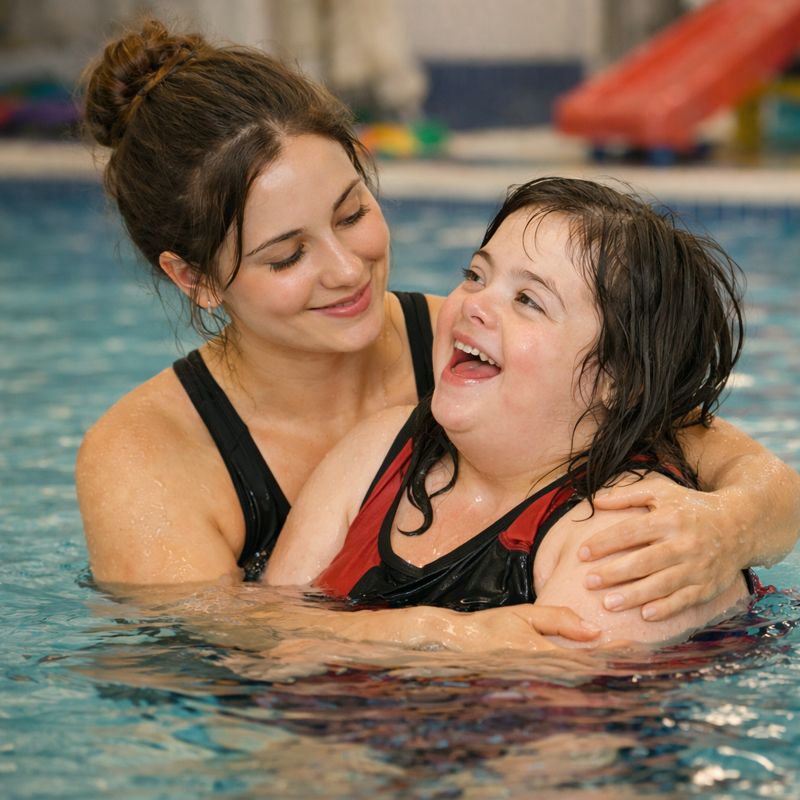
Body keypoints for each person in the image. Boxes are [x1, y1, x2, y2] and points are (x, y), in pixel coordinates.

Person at [76, 20, 798, 634]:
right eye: (287, 255)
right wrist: (454, 639)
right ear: (193, 279)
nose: (346, 269)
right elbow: (209, 658)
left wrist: (724, 529)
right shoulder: (145, 456)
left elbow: (750, 472)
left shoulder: (474, 343)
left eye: (353, 213)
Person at [265, 177, 759, 645]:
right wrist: (431, 634)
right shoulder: (379, 450)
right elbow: (258, 627)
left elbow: (552, 722)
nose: (473, 304)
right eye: (476, 275)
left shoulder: (631, 536)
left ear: (619, 378)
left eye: (528, 300)